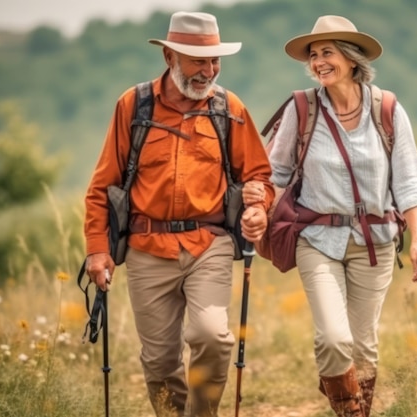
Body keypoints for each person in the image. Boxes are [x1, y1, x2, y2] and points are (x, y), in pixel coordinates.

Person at [83, 11, 273, 417]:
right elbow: (102, 186)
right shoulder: (134, 106)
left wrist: (258, 206)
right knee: (159, 362)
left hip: (210, 243)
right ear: (170, 56)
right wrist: (98, 251)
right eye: (198, 60)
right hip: (147, 248)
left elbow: (258, 174)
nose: (209, 71)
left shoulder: (229, 108)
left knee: (213, 335)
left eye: (214, 61)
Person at [260, 15, 417, 416]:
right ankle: (347, 404)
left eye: (328, 53)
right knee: (335, 339)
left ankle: (349, 406)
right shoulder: (302, 109)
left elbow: (408, 183)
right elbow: (275, 174)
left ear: (353, 59)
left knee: (363, 343)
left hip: (376, 243)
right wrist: (257, 212)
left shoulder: (387, 109)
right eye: (314, 55)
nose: (318, 61)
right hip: (316, 240)